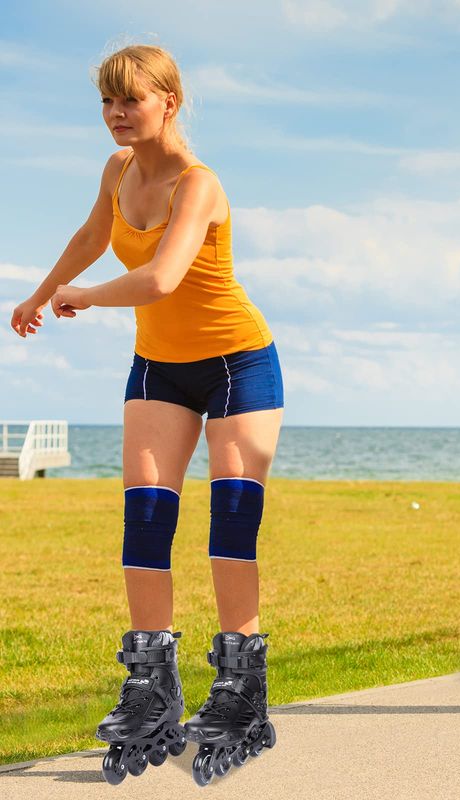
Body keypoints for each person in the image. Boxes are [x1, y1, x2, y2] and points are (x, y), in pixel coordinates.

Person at [10, 44, 280, 783]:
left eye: (130, 98)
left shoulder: (200, 184)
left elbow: (161, 277)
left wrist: (85, 297)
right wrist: (42, 292)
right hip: (160, 367)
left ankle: (242, 693)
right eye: (107, 100)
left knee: (231, 521)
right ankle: (151, 688)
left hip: (238, 365)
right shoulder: (118, 170)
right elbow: (92, 236)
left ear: (169, 100)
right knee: (146, 519)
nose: (116, 113)